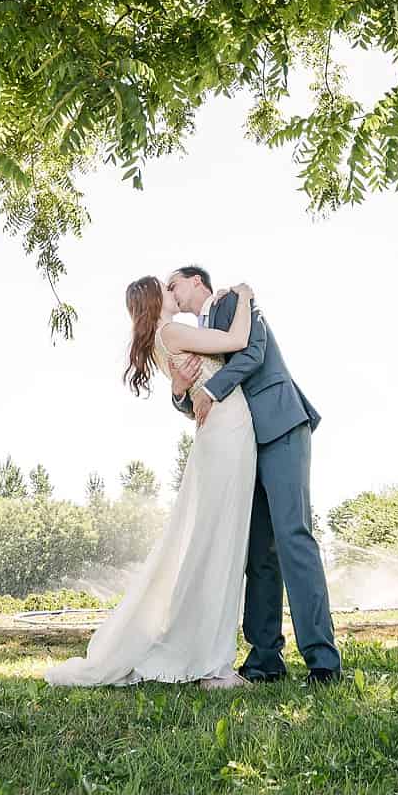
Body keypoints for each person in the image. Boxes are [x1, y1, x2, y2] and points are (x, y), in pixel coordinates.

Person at [44, 277, 259, 689]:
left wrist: (184, 389)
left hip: (220, 432)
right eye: (166, 287)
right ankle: (209, 663)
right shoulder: (172, 331)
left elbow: (192, 380)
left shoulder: (160, 341)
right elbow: (237, 338)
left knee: (213, 543)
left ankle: (209, 655)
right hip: (227, 429)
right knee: (218, 545)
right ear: (156, 299)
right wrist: (246, 296)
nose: (173, 293)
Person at [165, 265, 343, 686]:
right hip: (241, 445)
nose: (170, 292)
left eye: (174, 284)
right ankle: (265, 660)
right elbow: (197, 396)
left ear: (196, 282)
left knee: (293, 537)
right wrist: (180, 393)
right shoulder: (197, 333)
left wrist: (211, 390)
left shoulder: (232, 301)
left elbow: (253, 353)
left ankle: (323, 661)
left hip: (280, 424)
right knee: (258, 552)